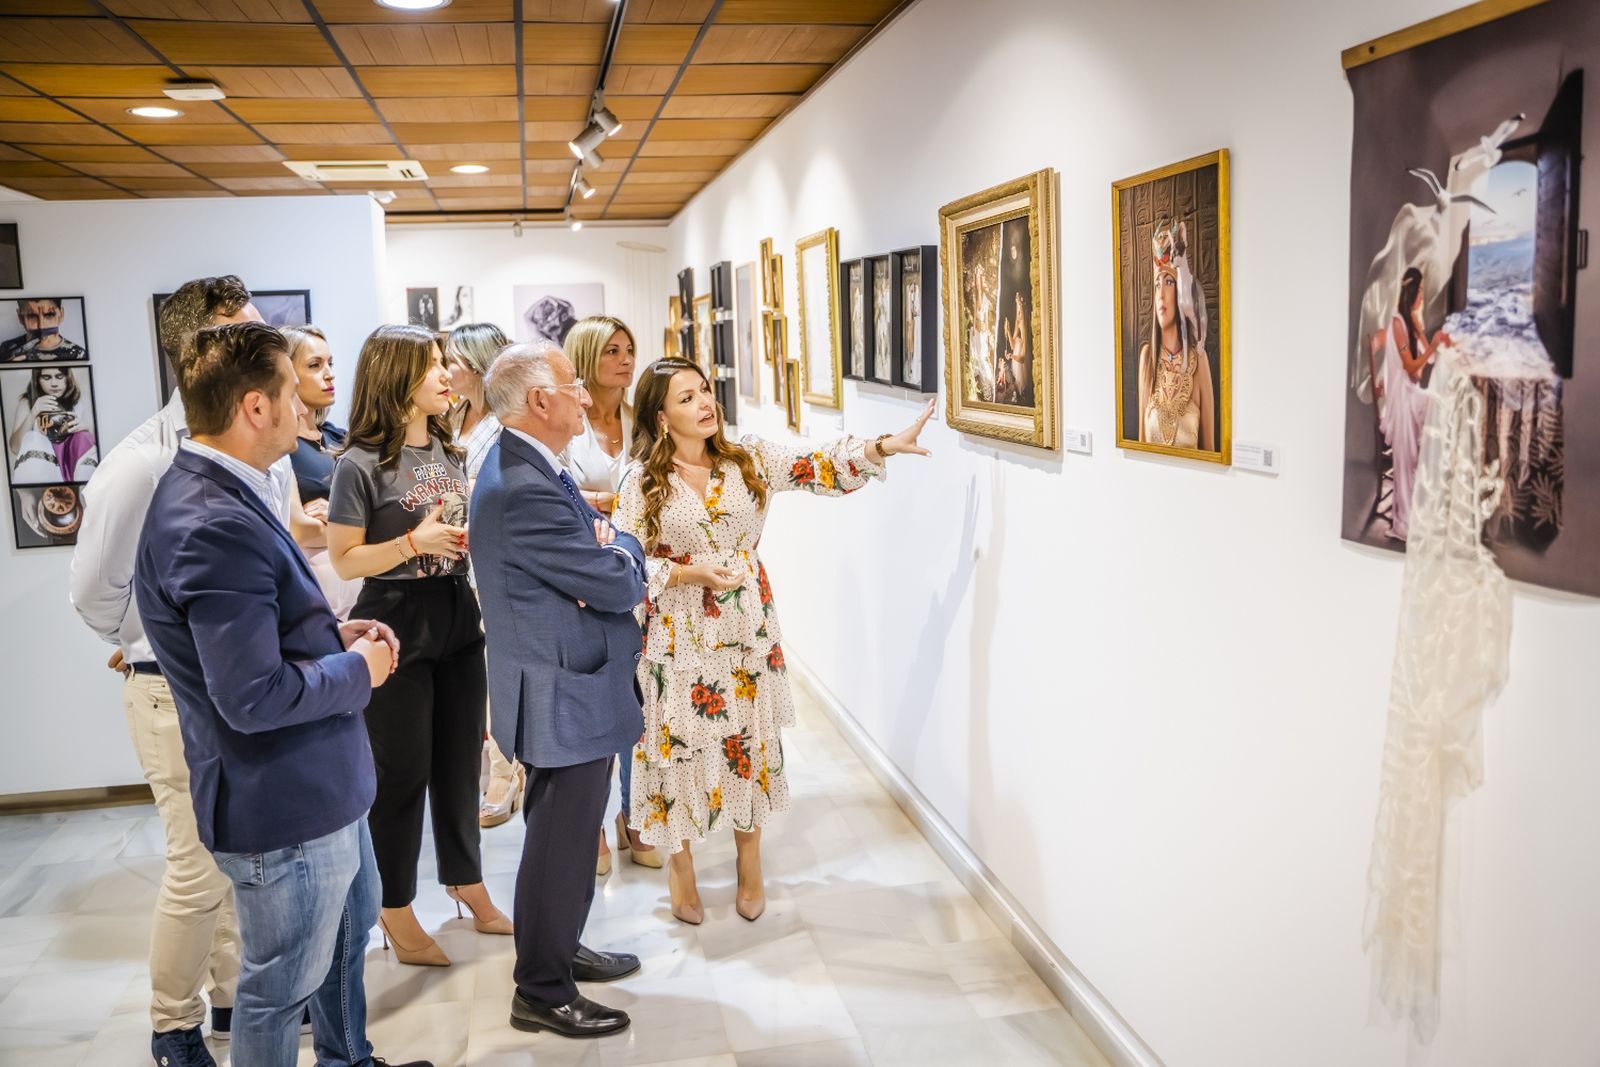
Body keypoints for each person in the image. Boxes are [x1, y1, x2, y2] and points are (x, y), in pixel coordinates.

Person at [132, 321, 427, 1067]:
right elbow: (252, 695)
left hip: (319, 779)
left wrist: (334, 632)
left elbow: (264, 632)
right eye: (293, 390)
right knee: (279, 984)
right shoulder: (209, 518)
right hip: (281, 797)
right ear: (255, 408)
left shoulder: (227, 486)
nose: (308, 406)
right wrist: (359, 670)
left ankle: (346, 1057)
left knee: (345, 932)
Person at [67, 274, 304, 1065]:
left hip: (243, 675)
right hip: (172, 689)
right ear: (198, 348)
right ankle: (173, 1023)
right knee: (198, 865)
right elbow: (94, 592)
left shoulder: (261, 446)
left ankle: (235, 1000)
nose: (270, 345)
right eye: (248, 329)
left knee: (239, 855)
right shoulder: (139, 464)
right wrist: (153, 638)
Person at [613, 359, 933, 924]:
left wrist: (882, 446)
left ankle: (749, 860)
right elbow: (624, 567)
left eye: (705, 391)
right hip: (677, 635)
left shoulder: (749, 459)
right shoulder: (640, 482)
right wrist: (691, 575)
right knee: (677, 746)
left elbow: (819, 464)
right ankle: (681, 862)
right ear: (660, 416)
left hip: (745, 631)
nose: (705, 404)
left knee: (746, 740)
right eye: (686, 398)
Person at [471, 342, 645, 1039]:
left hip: (569, 679)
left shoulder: (534, 466)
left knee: (574, 836)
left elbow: (593, 563)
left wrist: (606, 548)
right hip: (559, 687)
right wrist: (623, 546)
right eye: (572, 387)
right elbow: (614, 577)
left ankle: (560, 946)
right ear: (539, 401)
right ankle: (540, 988)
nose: (583, 398)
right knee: (558, 840)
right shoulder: (521, 485)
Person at [326, 324, 509, 967]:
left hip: (457, 613)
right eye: (433, 364)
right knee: (401, 773)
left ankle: (466, 879)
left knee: (462, 761)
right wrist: (412, 544)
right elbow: (345, 560)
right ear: (396, 376)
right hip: (395, 620)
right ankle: (395, 906)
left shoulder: (450, 449)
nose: (446, 373)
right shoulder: (358, 463)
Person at [562, 315, 660, 873]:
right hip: (587, 575)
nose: (625, 360)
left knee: (641, 698)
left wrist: (609, 502)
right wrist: (608, 502)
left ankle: (634, 812)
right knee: (598, 700)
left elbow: (655, 485)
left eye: (629, 349)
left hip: (643, 569)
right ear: (586, 357)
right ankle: (595, 822)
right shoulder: (567, 423)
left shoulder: (641, 421)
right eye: (612, 351)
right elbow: (563, 495)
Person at [441, 322, 527, 830]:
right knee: (476, 670)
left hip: (493, 562)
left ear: (474, 366)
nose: (443, 370)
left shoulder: (503, 424)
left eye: (449, 360)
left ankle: (505, 771)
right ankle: (492, 766)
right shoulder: (453, 416)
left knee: (498, 671)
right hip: (455, 561)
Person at [283, 324, 361, 619]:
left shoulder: (342, 438)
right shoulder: (283, 449)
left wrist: (333, 518)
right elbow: (299, 530)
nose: (329, 374)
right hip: (317, 600)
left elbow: (377, 518)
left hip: (361, 592)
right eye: (315, 365)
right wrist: (354, 525)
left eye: (330, 363)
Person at [1370, 266, 1449, 540]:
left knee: (1441, 404)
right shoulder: (1396, 324)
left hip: (1412, 390)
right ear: (1412, 292)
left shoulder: (1410, 321)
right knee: (1439, 406)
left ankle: (1430, 504)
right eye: (1421, 291)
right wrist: (1431, 346)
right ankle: (1405, 521)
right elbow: (1409, 365)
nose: (1423, 295)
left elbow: (1428, 362)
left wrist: (1427, 336)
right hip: (1403, 399)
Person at [1137, 218, 1215, 451]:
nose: (1161, 294)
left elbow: (1210, 450)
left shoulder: (1198, 361)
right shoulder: (1148, 359)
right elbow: (1141, 446)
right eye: (1157, 284)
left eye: (1169, 282)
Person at [8, 365, 97, 481]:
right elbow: (15, 448)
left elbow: (99, 445)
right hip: (41, 472)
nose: (54, 383)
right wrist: (33, 413)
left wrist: (86, 428)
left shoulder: (80, 401)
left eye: (59, 376)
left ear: (68, 377)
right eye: (46, 377)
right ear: (37, 380)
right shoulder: (27, 403)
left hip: (75, 467)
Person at [1, 297, 87, 361]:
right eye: (32, 316)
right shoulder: (6, 349)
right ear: (20, 318)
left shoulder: (79, 354)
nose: (41, 326)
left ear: (61, 315)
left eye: (49, 315)